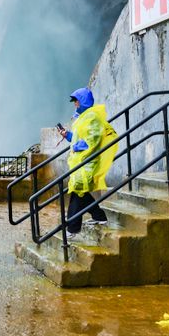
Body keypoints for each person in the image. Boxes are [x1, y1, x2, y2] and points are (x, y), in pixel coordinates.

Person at [57, 87, 118, 237]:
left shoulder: (92, 117)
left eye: (76, 101)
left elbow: (94, 138)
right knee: (80, 191)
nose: (75, 104)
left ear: (83, 101)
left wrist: (77, 146)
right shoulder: (83, 118)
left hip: (88, 162)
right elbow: (80, 138)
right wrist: (68, 136)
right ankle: (99, 216)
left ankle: (72, 228)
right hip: (81, 162)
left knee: (77, 191)